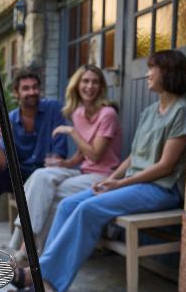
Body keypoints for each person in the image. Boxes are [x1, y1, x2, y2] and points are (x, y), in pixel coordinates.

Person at [6, 49, 186, 292]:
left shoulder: (182, 110)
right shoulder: (150, 111)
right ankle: (40, 274)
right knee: (69, 204)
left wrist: (119, 183)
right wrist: (111, 179)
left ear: (167, 72)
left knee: (87, 210)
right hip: (133, 183)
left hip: (159, 188)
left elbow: (166, 166)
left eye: (152, 68)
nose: (147, 74)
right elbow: (133, 158)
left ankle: (44, 281)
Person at [8, 64, 122, 264]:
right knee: (42, 175)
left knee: (48, 195)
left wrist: (71, 132)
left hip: (104, 176)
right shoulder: (78, 113)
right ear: (77, 85)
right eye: (85, 81)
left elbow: (95, 155)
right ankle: (32, 250)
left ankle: (26, 248)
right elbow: (82, 152)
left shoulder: (108, 114)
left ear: (101, 87)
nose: (90, 86)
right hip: (82, 172)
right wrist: (65, 163)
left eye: (95, 82)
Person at [0, 67, 68, 241]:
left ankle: (29, 242)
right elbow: (2, 164)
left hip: (46, 172)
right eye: (26, 88)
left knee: (41, 176)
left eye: (35, 87)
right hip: (21, 173)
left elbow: (59, 152)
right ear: (16, 93)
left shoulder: (53, 109)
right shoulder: (10, 119)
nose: (32, 92)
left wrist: (55, 160)